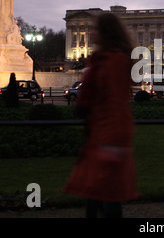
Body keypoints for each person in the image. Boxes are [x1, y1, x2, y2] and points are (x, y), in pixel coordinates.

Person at [63, 13, 138, 218]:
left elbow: (113, 102)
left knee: (103, 195)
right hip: (100, 135)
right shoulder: (105, 59)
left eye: (96, 29)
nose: (92, 32)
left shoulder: (112, 60)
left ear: (106, 33)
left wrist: (111, 142)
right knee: (95, 192)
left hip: (108, 138)